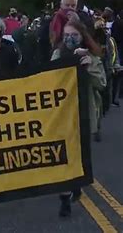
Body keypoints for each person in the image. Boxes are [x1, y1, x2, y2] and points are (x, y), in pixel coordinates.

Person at [50, 21, 106, 217]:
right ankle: (64, 199)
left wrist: (89, 66)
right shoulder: (58, 54)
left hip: (83, 113)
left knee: (80, 156)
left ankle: (76, 184)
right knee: (65, 157)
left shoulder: (91, 56)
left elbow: (101, 84)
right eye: (66, 35)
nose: (70, 39)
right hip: (63, 114)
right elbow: (50, 82)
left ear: (82, 36)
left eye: (74, 35)